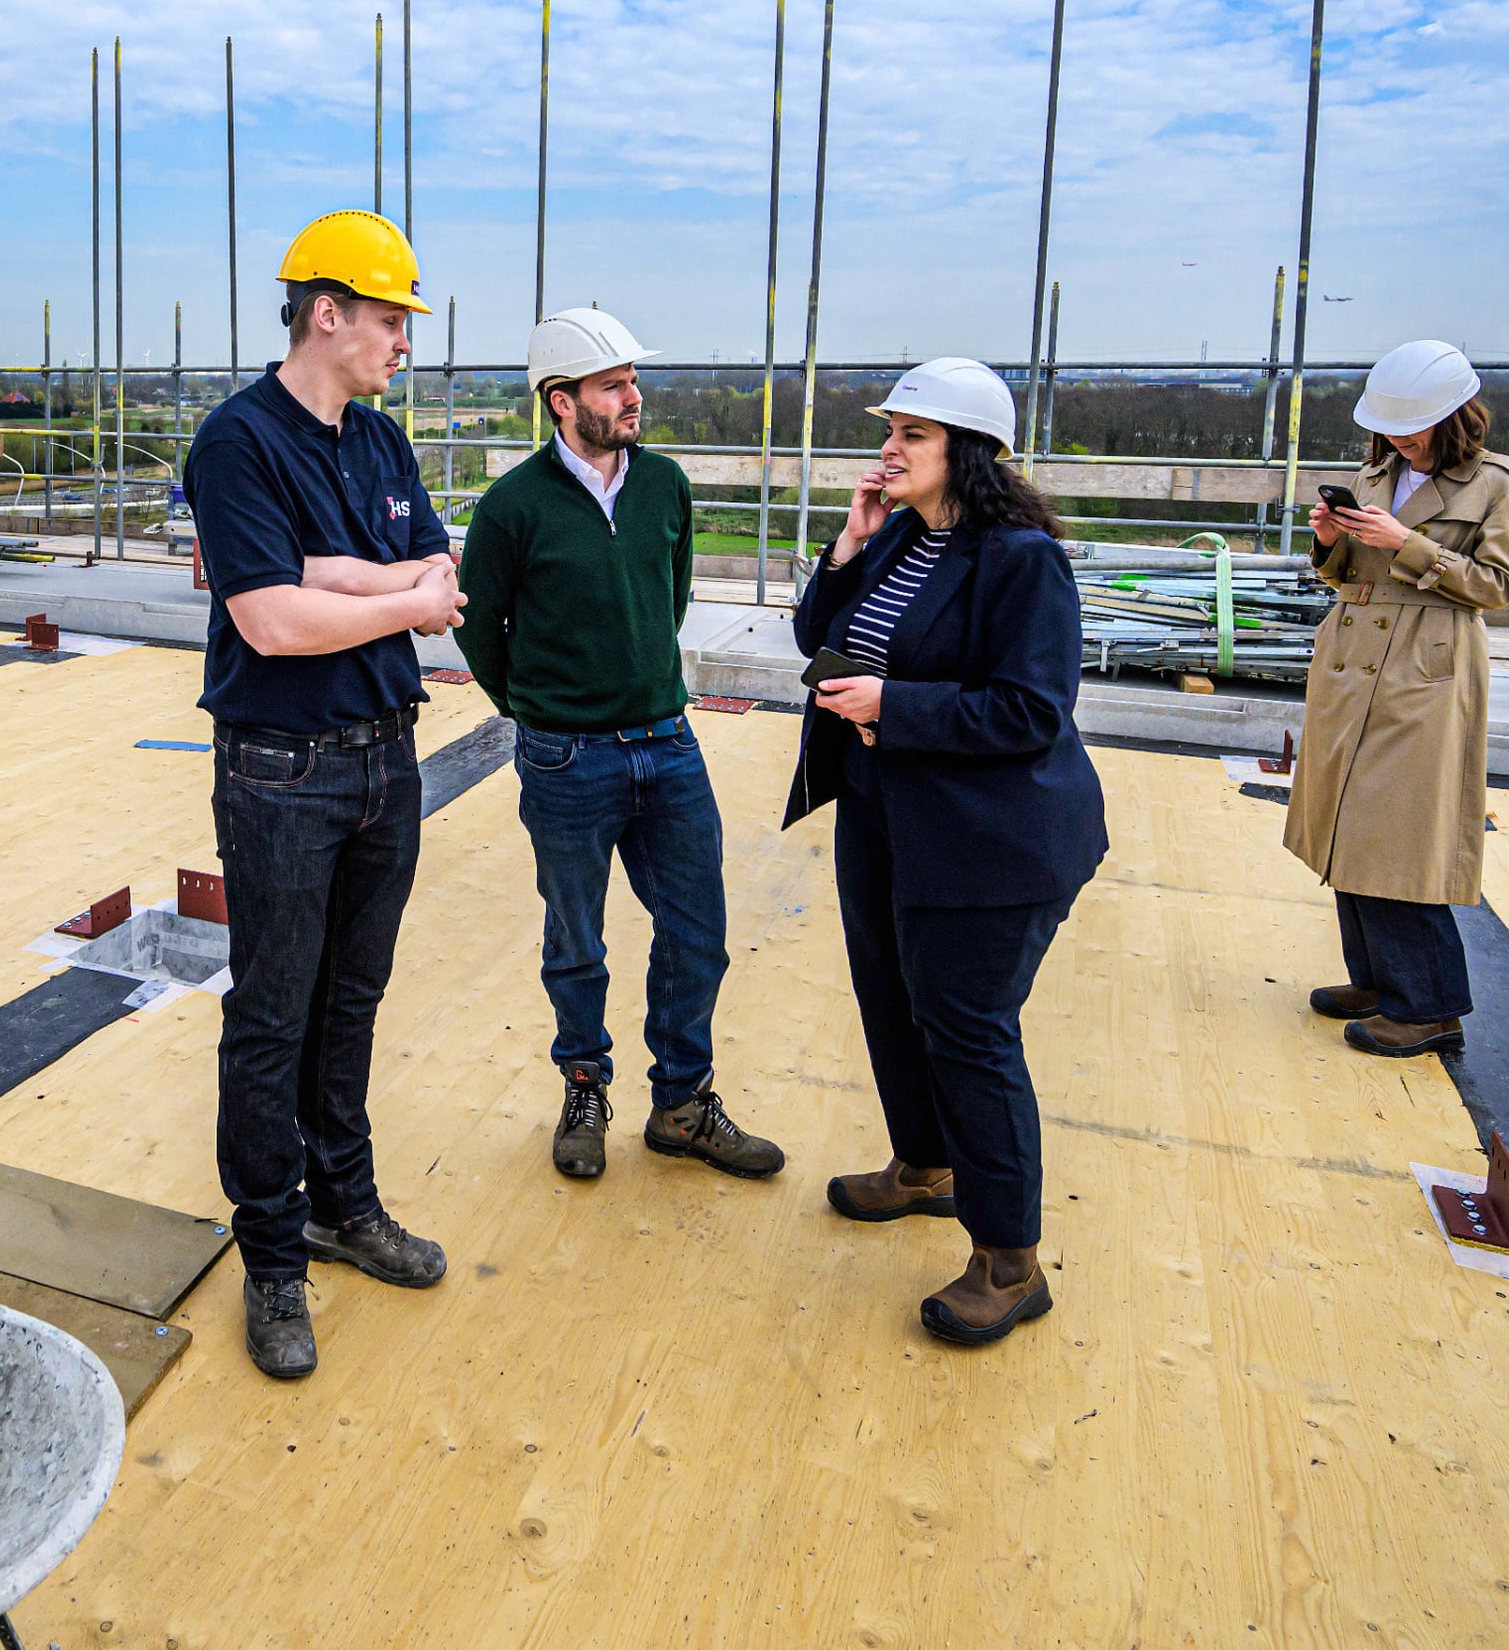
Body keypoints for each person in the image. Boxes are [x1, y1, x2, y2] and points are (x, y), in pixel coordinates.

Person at [181, 208, 464, 1383]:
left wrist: (344, 573)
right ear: (327, 312)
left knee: (350, 1005)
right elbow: (273, 619)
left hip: (384, 763)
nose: (406, 338)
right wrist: (392, 600)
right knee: (272, 1017)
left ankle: (346, 1206)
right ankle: (274, 1258)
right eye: (391, 316)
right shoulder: (239, 443)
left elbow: (435, 563)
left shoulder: (380, 443)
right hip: (282, 773)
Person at [784, 358, 1107, 1348]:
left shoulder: (1020, 561)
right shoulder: (902, 543)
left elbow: (1032, 710)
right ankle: (924, 1166)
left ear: (964, 453)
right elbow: (817, 635)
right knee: (893, 1002)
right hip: (889, 816)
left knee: (969, 1032)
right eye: (890, 434)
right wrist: (848, 544)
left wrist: (894, 706)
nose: (888, 451)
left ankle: (1010, 1263)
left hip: (991, 840)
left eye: (910, 437)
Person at [453, 308, 784, 1185]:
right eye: (613, 385)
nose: (633, 397)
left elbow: (665, 604)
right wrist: (535, 707)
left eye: (634, 381)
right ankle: (585, 1088)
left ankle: (681, 1104)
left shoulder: (666, 486)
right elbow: (479, 627)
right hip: (567, 759)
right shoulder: (513, 507)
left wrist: (635, 683)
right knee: (577, 941)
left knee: (698, 933)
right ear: (562, 402)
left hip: (668, 745)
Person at [1286, 339, 1509, 1058]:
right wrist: (1332, 542)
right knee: (1347, 823)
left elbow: (1499, 587)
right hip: (1355, 658)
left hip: (1426, 666)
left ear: (1454, 415)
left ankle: (1428, 1006)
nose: (1401, 439)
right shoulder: (1374, 473)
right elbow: (1347, 576)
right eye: (1391, 425)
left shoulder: (1497, 483)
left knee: (1399, 834)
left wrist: (1407, 544)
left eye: (1414, 425)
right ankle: (1380, 980)